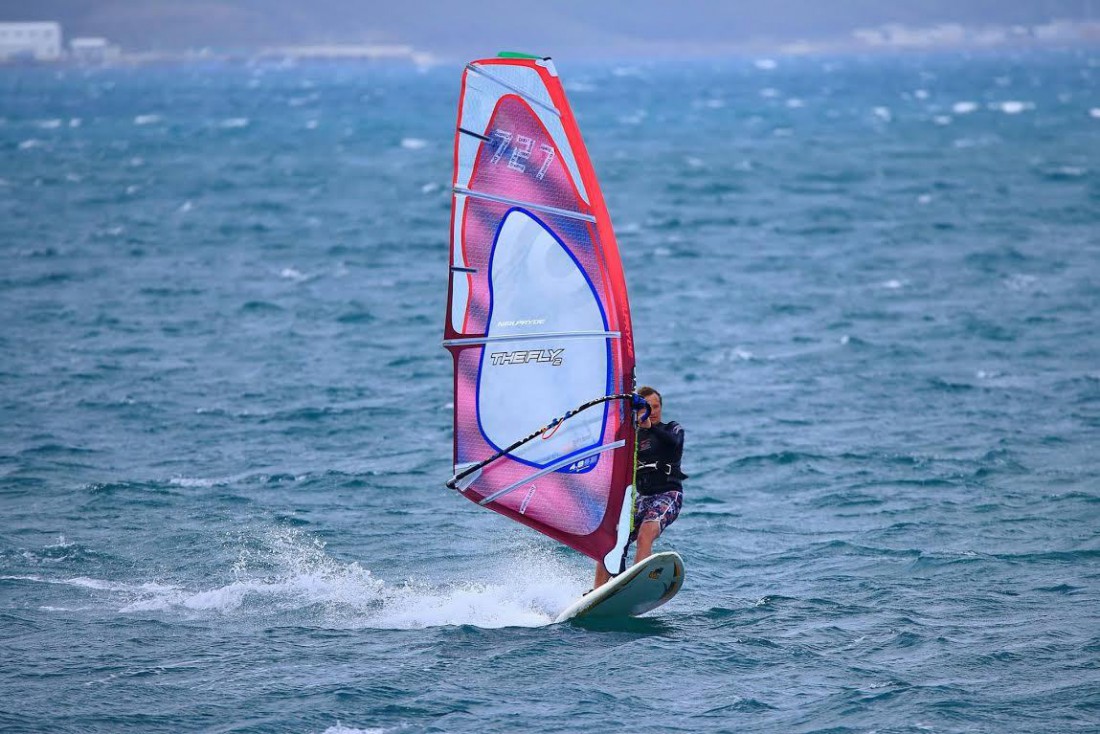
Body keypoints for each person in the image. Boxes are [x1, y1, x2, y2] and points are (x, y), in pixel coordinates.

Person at [594, 386, 686, 589]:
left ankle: (637, 586)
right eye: (647, 407)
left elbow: (673, 443)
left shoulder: (672, 429)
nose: (653, 411)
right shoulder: (631, 438)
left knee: (645, 533)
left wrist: (650, 426)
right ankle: (598, 591)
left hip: (668, 494)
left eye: (656, 406)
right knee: (612, 540)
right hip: (642, 497)